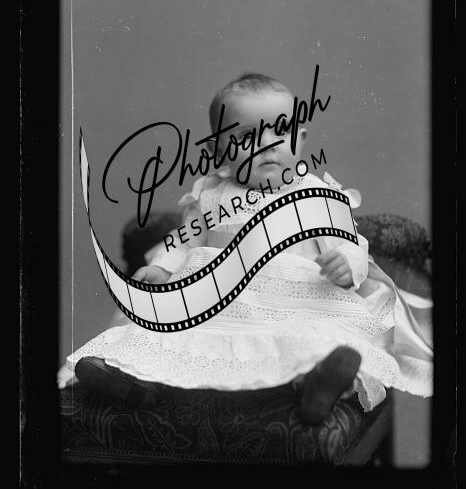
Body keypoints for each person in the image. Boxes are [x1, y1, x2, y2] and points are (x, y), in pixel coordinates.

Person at [58, 73, 433, 424]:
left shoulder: (318, 195)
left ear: (300, 139)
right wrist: (162, 268)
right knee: (167, 335)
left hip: (293, 305)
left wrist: (347, 264)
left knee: (313, 338)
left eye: (280, 130)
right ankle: (132, 382)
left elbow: (351, 245)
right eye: (247, 136)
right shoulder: (210, 194)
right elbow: (184, 241)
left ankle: (318, 384)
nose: (267, 143)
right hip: (214, 307)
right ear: (219, 150)